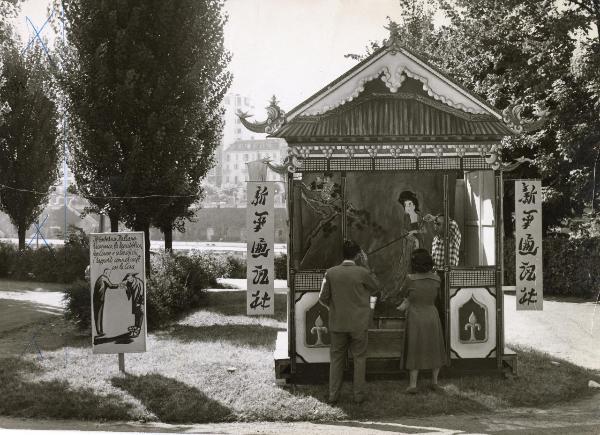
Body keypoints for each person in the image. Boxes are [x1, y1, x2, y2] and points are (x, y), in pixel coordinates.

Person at [319, 239, 380, 405]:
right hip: (359, 323)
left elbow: (322, 298)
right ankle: (358, 396)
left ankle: (333, 396)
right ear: (358, 255)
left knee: (337, 358)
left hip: (337, 322)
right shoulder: (362, 272)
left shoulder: (330, 272)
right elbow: (376, 287)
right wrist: (366, 265)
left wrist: (333, 308)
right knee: (359, 358)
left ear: (342, 254)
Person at [398, 249, 448, 394]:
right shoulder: (437, 279)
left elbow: (403, 293)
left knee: (415, 348)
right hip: (432, 315)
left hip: (415, 316)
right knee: (435, 347)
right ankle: (435, 382)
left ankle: (413, 385)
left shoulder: (410, 279)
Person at [92, 268, 122, 337]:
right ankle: (99, 332)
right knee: (99, 315)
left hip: (97, 299)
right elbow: (111, 286)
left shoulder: (100, 278)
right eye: (108, 273)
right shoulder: (104, 278)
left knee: (97, 315)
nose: (109, 274)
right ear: (105, 272)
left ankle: (100, 331)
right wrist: (119, 285)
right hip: (100, 299)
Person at [122, 272, 145, 338]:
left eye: (129, 279)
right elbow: (130, 293)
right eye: (127, 279)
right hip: (134, 300)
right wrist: (126, 288)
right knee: (136, 313)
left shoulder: (139, 282)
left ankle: (138, 329)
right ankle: (135, 327)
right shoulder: (129, 283)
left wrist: (139, 302)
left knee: (140, 313)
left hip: (139, 301)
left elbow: (142, 293)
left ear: (132, 277)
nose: (128, 280)